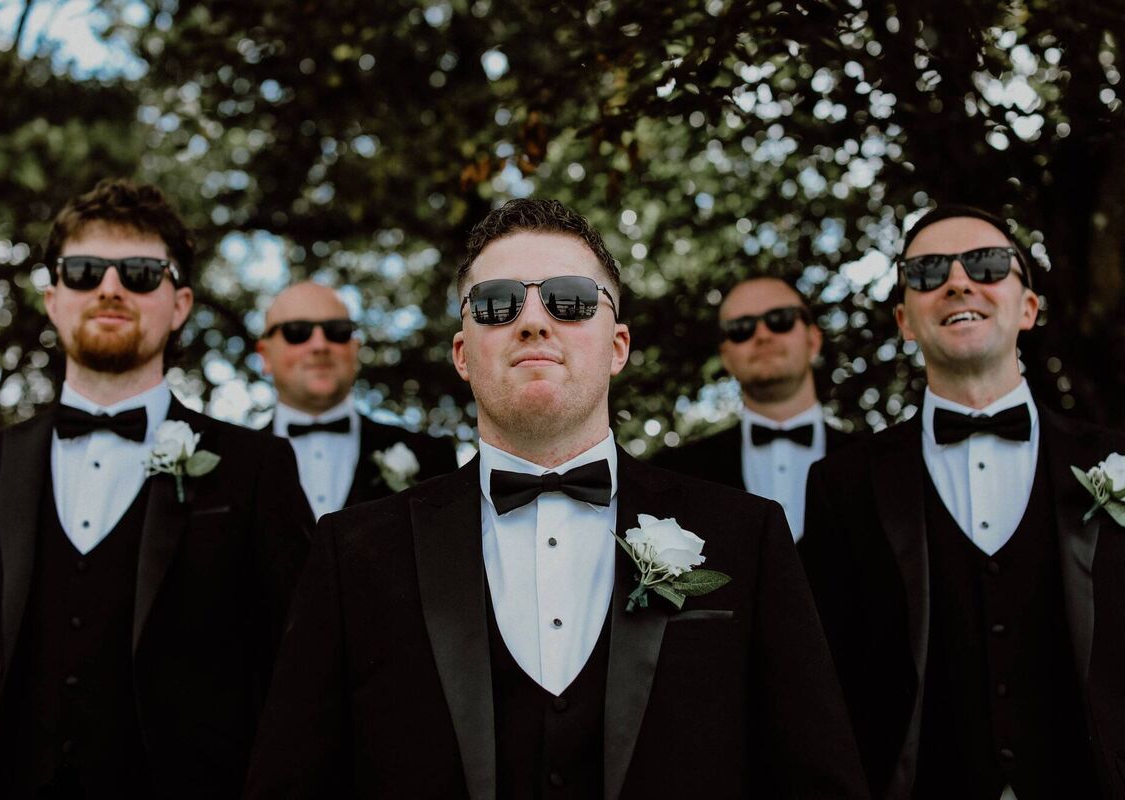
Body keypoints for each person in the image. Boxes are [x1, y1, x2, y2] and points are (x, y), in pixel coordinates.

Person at [245, 198, 868, 798]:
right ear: (463, 353)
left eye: (570, 301)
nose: (534, 321)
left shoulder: (747, 533)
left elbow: (815, 778)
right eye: (496, 304)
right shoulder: (352, 551)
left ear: (617, 345)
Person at [0, 179, 314, 799]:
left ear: (180, 303)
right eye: (83, 271)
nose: (109, 288)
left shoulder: (257, 468)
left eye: (139, 272)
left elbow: (300, 676)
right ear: (53, 298)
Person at [799, 205, 1125, 800]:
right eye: (926, 272)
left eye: (987, 264)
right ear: (905, 319)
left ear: (1028, 307)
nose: (957, 281)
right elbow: (819, 682)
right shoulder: (841, 486)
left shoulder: (1117, 460)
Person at [652, 276, 852, 542]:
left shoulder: (880, 465)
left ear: (813, 340)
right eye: (741, 328)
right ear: (726, 356)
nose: (762, 335)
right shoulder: (676, 474)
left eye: (780, 319)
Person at [256, 281, 456, 519]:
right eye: (297, 332)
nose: (320, 345)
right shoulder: (233, 464)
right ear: (265, 356)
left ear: (355, 349)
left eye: (337, 331)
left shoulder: (431, 456)